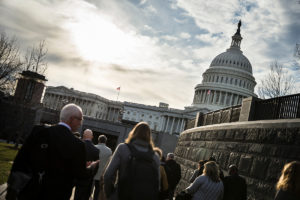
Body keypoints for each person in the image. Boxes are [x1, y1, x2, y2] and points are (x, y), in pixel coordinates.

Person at [6, 103, 99, 200]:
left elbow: (20, 161)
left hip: (29, 192)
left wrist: (11, 189)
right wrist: (91, 167)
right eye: (80, 119)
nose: (80, 123)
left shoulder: (38, 131)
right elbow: (81, 174)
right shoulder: (78, 145)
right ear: (71, 119)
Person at [103, 122, 160, 200]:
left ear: (134, 132)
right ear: (149, 136)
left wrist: (110, 194)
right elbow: (157, 185)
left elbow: (108, 175)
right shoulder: (155, 157)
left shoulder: (123, 148)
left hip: (121, 195)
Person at [74, 129, 99, 200]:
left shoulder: (78, 145)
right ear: (92, 137)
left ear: (83, 136)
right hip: (86, 178)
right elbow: (96, 167)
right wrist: (90, 175)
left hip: (74, 176)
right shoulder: (96, 150)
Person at [93, 135, 112, 200]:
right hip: (101, 174)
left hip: (92, 171)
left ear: (99, 140)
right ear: (105, 141)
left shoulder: (94, 147)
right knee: (97, 190)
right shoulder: (109, 151)